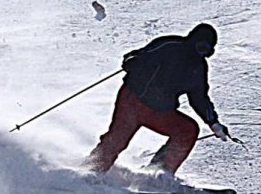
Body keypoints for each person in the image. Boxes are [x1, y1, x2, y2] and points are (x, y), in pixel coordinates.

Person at [85, 23, 232, 175]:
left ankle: (158, 173)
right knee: (118, 138)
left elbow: (199, 97)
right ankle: (92, 171)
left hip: (160, 112)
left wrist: (213, 122)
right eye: (200, 46)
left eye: (206, 50)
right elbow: (139, 54)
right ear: (192, 41)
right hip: (133, 101)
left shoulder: (198, 68)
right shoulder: (169, 46)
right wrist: (132, 60)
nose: (200, 53)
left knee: (187, 130)